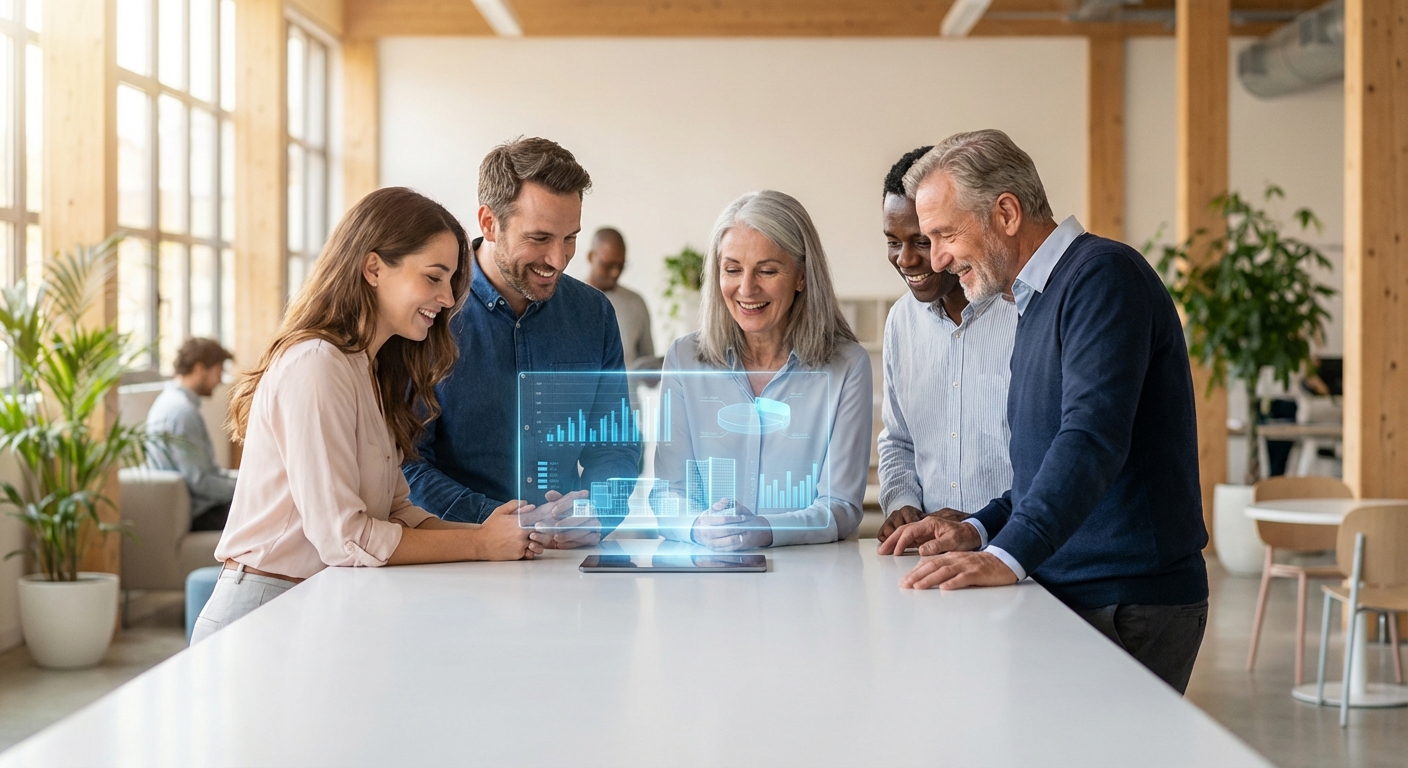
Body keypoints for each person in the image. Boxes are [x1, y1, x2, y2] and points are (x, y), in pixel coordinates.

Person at [884, 130, 1210, 694]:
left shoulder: (1103, 277)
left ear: (1006, 212)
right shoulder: (1033, 302)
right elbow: (1039, 468)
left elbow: (1091, 438)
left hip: (1129, 602)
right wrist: (980, 528)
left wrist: (1006, 554)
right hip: (1074, 593)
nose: (935, 259)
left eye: (944, 235)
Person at [191, 187, 539, 645]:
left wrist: (498, 532)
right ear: (373, 267)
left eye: (451, 281)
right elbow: (345, 537)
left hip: (318, 604)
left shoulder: (369, 370)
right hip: (262, 609)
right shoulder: (316, 364)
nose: (447, 297)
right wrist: (480, 544)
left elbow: (398, 514)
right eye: (434, 277)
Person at [402, 138, 639, 548]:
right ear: (489, 223)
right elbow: (407, 462)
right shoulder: (430, 313)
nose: (560, 260)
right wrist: (497, 524)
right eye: (540, 238)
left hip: (564, 566)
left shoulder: (593, 314)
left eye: (570, 238)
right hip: (454, 559)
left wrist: (597, 510)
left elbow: (614, 447)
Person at [653, 190, 871, 549]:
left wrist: (765, 530)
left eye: (767, 271)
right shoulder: (683, 359)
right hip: (707, 578)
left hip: (809, 580)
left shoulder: (847, 366)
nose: (746, 288)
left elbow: (841, 506)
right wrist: (698, 526)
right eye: (732, 269)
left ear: (802, 276)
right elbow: (667, 494)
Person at [872, 147, 1018, 547]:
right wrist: (901, 501)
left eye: (921, 240)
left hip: (1018, 551)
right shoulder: (901, 322)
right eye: (892, 241)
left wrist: (982, 524)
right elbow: (898, 438)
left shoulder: (1021, 312)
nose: (906, 259)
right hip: (933, 554)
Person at [145, 337, 238, 532]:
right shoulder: (182, 412)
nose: (220, 381)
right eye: (218, 373)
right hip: (202, 514)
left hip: (198, 507)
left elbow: (207, 473)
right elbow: (200, 482)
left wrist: (246, 481)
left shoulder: (170, 403)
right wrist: (247, 489)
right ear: (199, 369)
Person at [585, 227, 662, 379]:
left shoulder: (636, 303)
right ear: (591, 257)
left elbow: (647, 361)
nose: (615, 273)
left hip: (628, 400)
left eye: (620, 266)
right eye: (608, 265)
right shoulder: (568, 301)